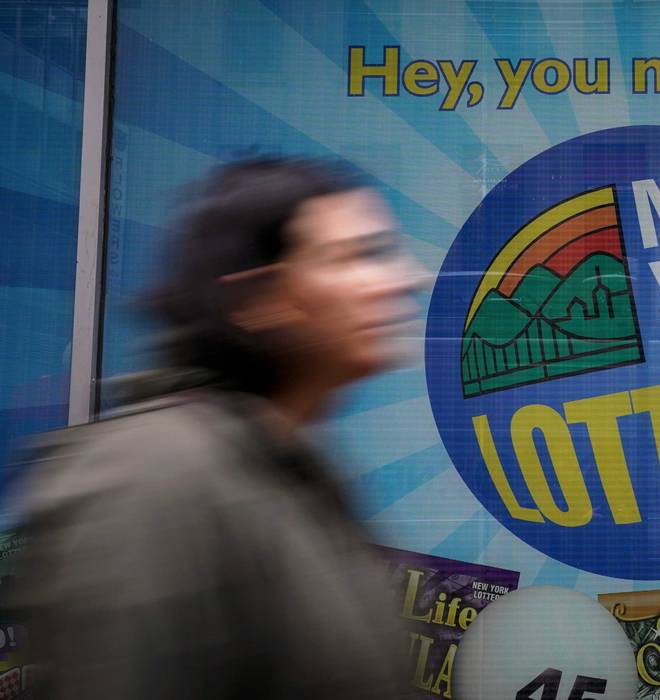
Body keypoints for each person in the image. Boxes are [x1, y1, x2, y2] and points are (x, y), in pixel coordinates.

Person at [7, 157, 425, 699]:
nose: (404, 278)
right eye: (358, 256)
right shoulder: (150, 478)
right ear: (260, 300)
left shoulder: (292, 464)